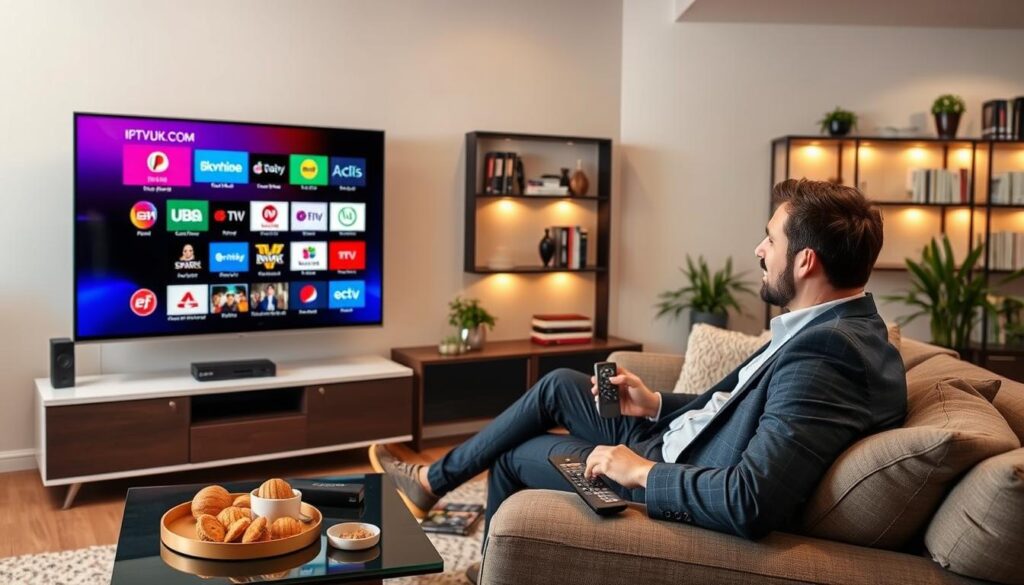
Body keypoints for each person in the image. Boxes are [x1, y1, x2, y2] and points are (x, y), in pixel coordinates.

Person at [370, 178, 906, 581]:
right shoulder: (833, 326)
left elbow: (750, 500)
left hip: (671, 475)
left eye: (770, 239)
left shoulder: (827, 355)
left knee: (514, 458)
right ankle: (429, 483)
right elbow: (733, 408)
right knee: (560, 382)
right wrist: (654, 404)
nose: (760, 251)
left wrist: (641, 472)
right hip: (670, 440)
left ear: (807, 260)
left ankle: (490, 567)